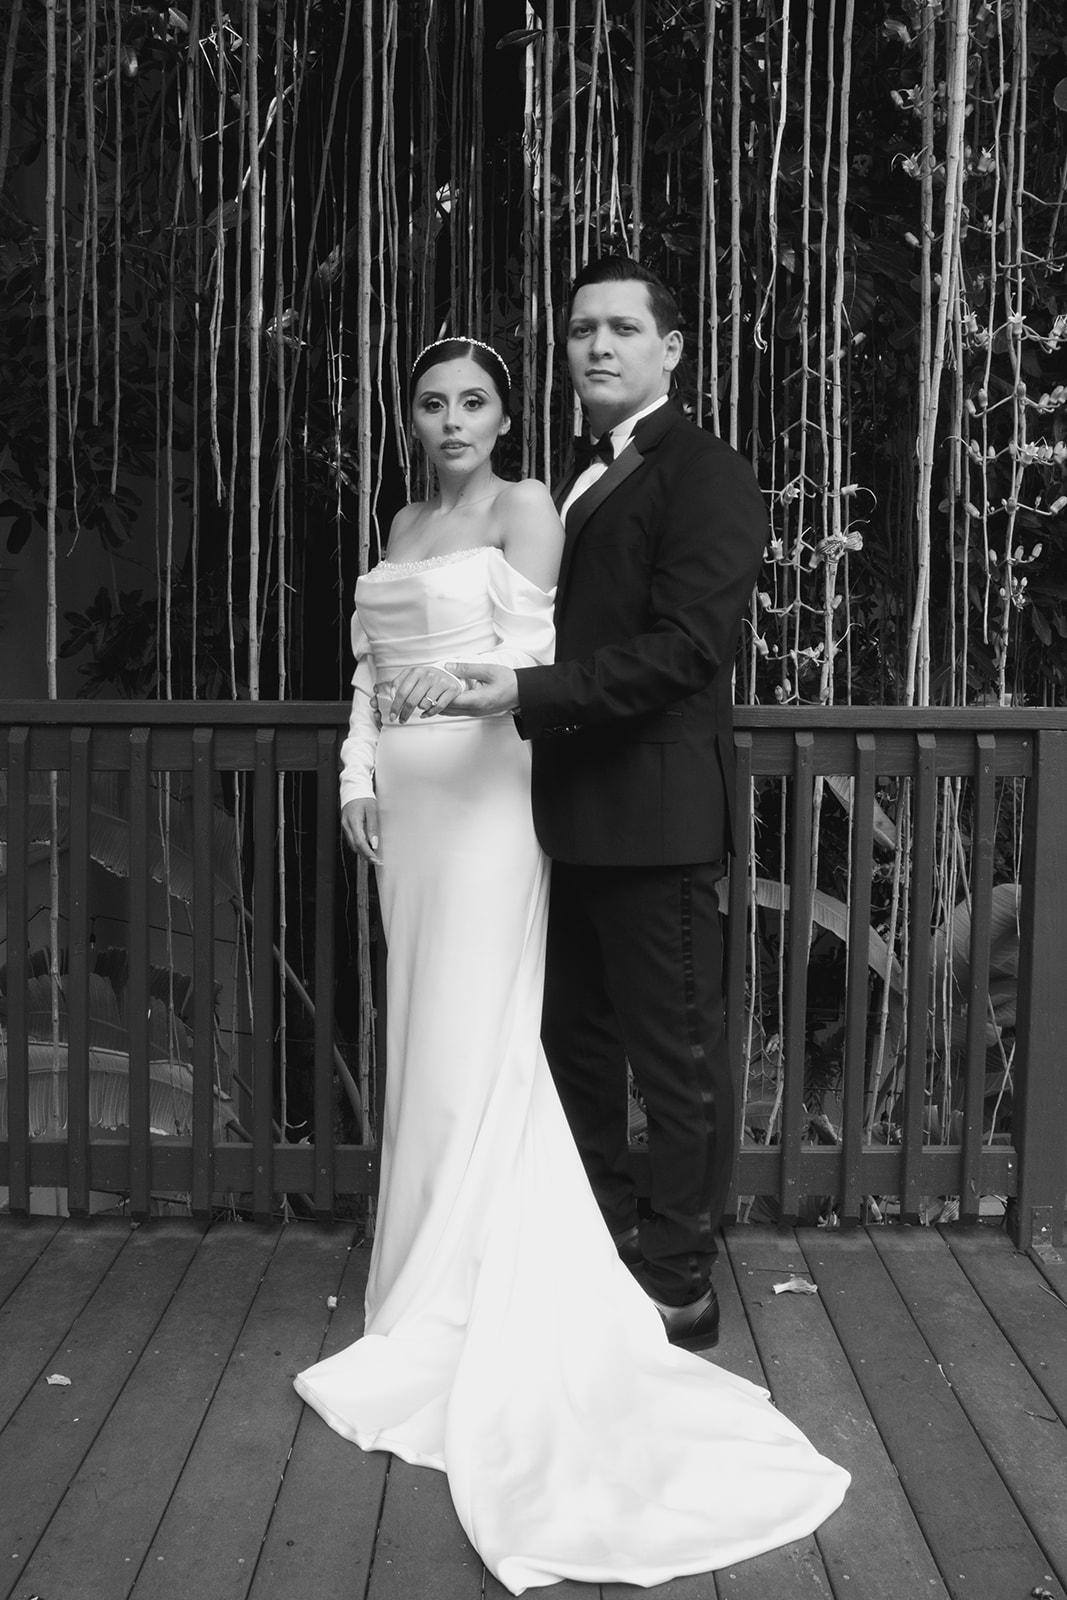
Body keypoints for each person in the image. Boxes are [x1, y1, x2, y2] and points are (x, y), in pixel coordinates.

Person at [294, 334, 848, 1595]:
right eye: (431, 402)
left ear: (502, 415)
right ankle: (424, 1264)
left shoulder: (532, 503)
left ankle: (537, 1270)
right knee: (426, 1027)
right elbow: (369, 671)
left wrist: (474, 699)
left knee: (482, 1029)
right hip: (406, 812)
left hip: (489, 794)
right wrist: (357, 772)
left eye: (473, 401)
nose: (452, 420)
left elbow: (540, 658)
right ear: (411, 417)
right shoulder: (400, 519)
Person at [416, 256, 767, 1353]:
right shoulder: (574, 479)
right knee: (573, 1043)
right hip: (560, 817)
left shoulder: (704, 472)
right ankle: (607, 1236)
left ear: (670, 348)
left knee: (675, 1059)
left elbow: (684, 650)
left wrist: (525, 694)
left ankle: (679, 1282)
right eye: (580, 331)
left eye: (622, 328)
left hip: (654, 818)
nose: (598, 346)